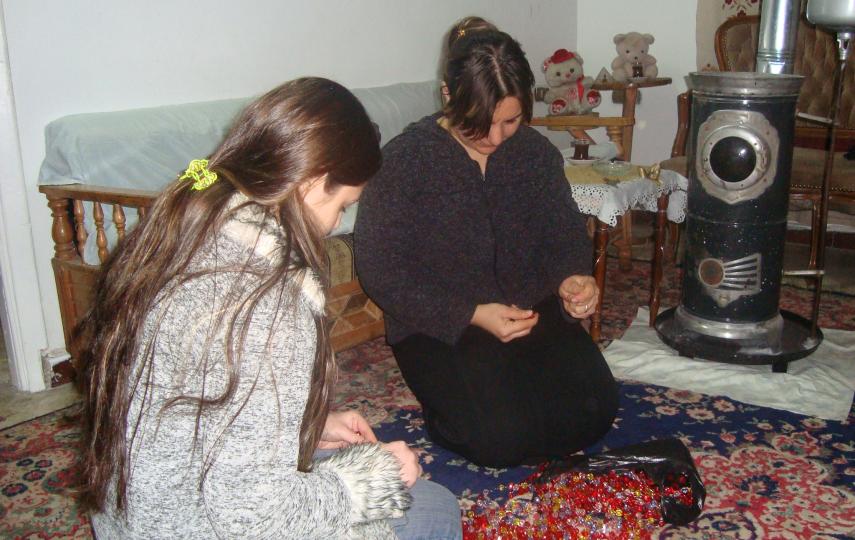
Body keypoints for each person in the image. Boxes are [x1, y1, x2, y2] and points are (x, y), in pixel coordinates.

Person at [75, 77, 462, 540]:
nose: (337, 223)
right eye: (343, 206)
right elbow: (256, 518)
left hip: (134, 516)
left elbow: (198, 410)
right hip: (191, 524)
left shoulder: (185, 225)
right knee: (434, 510)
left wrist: (307, 425)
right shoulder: (270, 305)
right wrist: (376, 475)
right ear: (311, 184)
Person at [354, 20, 619, 468]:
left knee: (595, 412)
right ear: (447, 97)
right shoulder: (405, 161)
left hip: (528, 309)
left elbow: (563, 231)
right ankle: (451, 408)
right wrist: (470, 314)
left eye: (511, 121)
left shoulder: (534, 154)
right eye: (480, 124)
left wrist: (573, 278)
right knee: (500, 440)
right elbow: (381, 267)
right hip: (440, 322)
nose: (497, 138)